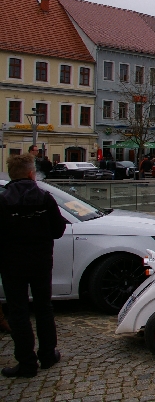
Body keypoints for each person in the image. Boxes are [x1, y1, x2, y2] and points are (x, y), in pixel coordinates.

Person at [0, 154, 68, 377]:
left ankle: (27, 362)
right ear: (32, 173)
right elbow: (58, 230)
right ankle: (48, 354)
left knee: (18, 311)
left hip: (11, 263)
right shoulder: (45, 198)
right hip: (40, 261)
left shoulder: (3, 200)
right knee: (43, 308)